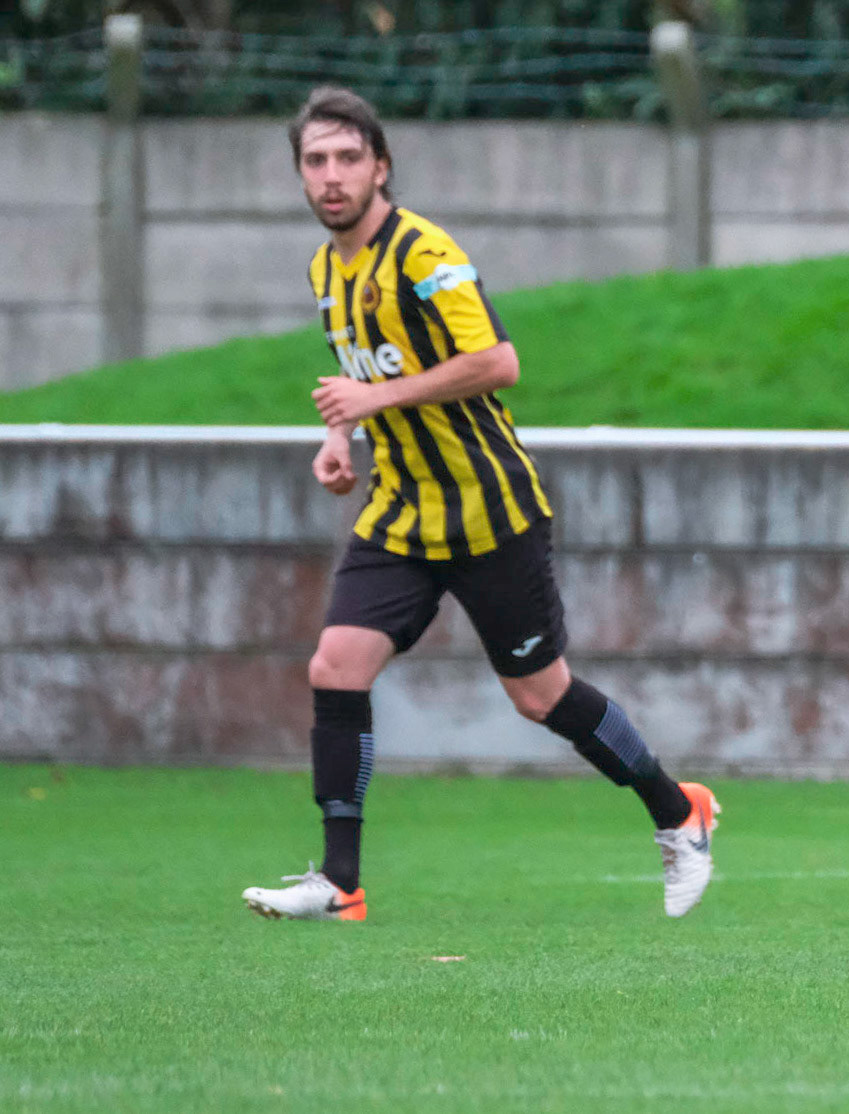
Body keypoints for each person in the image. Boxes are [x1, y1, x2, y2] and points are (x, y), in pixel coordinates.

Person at [241, 86, 718, 922]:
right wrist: (336, 439)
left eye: (348, 158)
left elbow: (497, 362)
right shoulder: (327, 270)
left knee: (540, 697)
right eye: (315, 161)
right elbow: (364, 381)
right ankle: (340, 881)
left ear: (380, 166)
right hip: (399, 513)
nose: (331, 175)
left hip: (490, 509)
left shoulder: (422, 253)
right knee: (335, 668)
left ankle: (679, 812)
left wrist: (373, 400)